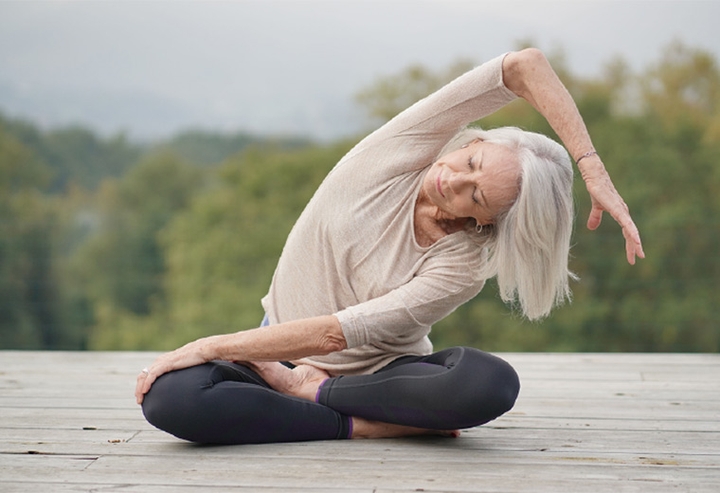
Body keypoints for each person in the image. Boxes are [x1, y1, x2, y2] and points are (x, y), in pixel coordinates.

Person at [135, 48, 644, 444]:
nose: (454, 181)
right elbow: (524, 66)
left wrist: (280, 376)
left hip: (379, 379)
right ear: (471, 144)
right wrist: (591, 167)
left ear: (491, 220)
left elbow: (338, 335)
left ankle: (321, 403)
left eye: (477, 195)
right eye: (469, 163)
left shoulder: (465, 262)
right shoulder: (399, 152)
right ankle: (361, 428)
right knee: (171, 398)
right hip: (280, 355)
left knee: (488, 384)